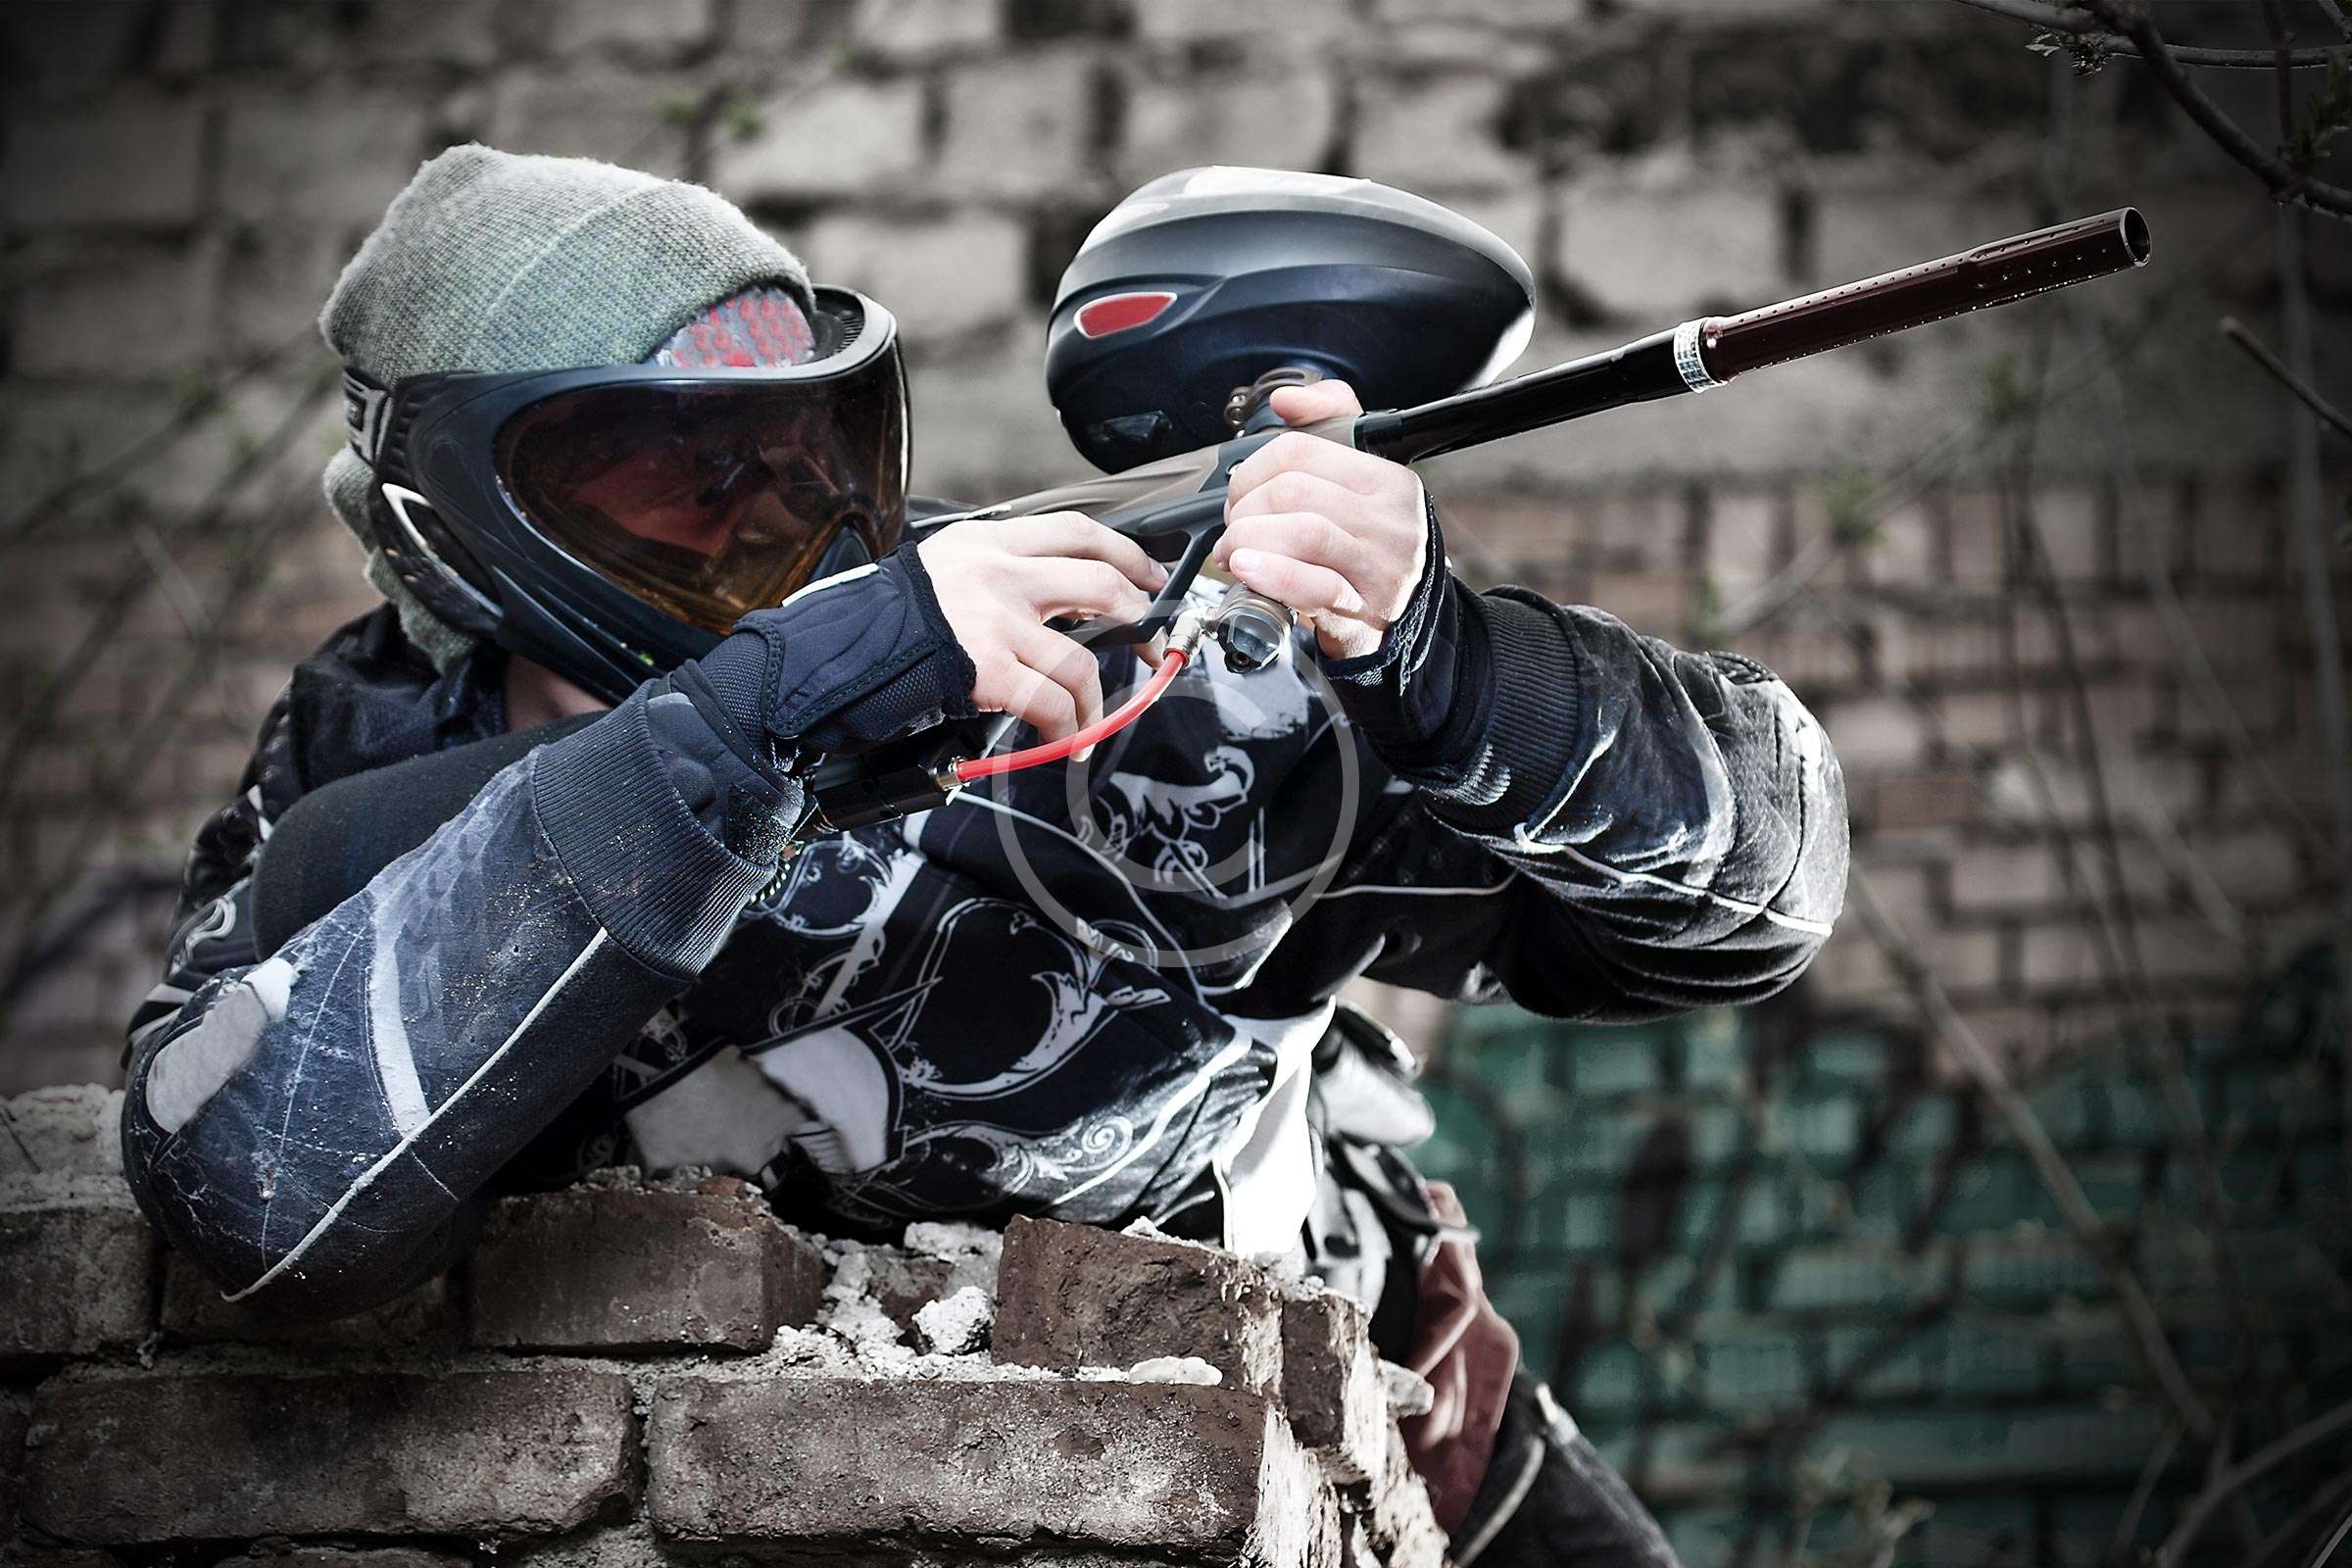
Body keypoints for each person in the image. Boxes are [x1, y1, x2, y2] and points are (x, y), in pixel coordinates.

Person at [119, 147, 1847, 1567]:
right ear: (457, 519)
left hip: (1399, 1461)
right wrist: (758, 726)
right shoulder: (366, 766)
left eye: (809, 455)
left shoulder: (1115, 665)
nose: (781, 530)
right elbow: (248, 1196)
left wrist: (1458, 667)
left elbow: (1757, 903)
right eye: (679, 483)